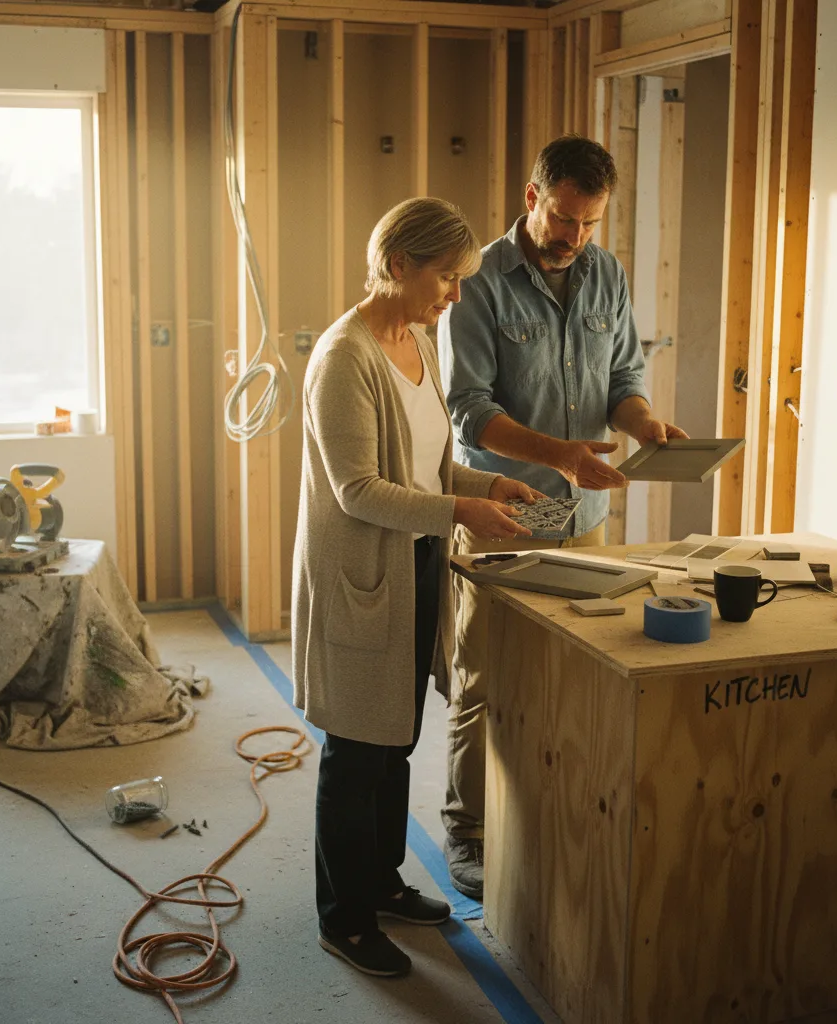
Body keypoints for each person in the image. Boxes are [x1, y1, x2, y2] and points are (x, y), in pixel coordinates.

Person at [291, 197, 544, 978]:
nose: (455, 296)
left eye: (461, 280)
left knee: (395, 738)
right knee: (355, 748)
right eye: (446, 277)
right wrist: (459, 507)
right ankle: (344, 916)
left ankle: (381, 879)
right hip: (363, 578)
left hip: (415, 568)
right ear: (399, 263)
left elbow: (426, 463)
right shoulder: (346, 356)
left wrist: (485, 484)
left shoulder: (418, 343)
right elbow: (359, 491)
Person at [437, 134, 688, 901]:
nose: (572, 238)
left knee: (576, 674)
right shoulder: (477, 282)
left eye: (588, 224)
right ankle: (467, 826)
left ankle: (544, 806)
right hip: (501, 516)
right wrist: (559, 456)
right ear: (531, 197)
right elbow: (469, 411)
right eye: (562, 218)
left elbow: (623, 378)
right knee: (485, 675)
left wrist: (643, 424)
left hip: (586, 519)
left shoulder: (606, 274)